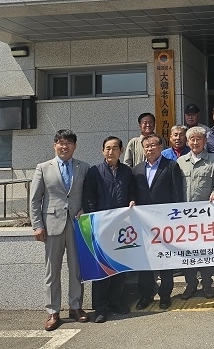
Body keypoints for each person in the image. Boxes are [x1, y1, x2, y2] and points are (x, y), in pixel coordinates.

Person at [30, 130, 89, 331]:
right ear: (54, 145)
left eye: (69, 143)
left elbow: (88, 194)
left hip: (76, 224)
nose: (65, 146)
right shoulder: (43, 168)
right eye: (61, 143)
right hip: (52, 225)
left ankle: (75, 306)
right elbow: (35, 200)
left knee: (76, 269)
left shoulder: (84, 167)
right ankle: (53, 311)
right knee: (52, 270)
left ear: (75, 146)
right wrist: (37, 225)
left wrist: (85, 210)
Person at [82, 136, 136, 323]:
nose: (111, 151)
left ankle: (116, 301)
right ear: (102, 150)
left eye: (114, 148)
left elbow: (132, 192)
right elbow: (88, 197)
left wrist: (132, 200)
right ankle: (100, 307)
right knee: (101, 268)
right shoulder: (94, 171)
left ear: (121, 150)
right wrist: (94, 220)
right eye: (107, 148)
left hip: (122, 227)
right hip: (101, 226)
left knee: (119, 265)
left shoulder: (127, 172)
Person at [132, 133, 185, 310]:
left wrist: (176, 218)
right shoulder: (137, 169)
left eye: (153, 145)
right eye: (147, 146)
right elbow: (134, 193)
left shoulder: (171, 166)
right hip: (143, 222)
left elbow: (177, 193)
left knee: (165, 258)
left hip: (165, 221)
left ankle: (165, 295)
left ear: (161, 147)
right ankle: (145, 295)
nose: (150, 149)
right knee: (145, 260)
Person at [177, 126, 214, 299]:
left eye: (199, 139)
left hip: (205, 216)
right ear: (187, 142)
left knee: (205, 251)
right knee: (188, 252)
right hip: (185, 217)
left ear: (204, 141)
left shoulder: (213, 160)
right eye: (192, 139)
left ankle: (207, 283)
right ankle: (190, 284)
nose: (195, 142)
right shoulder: (180, 161)